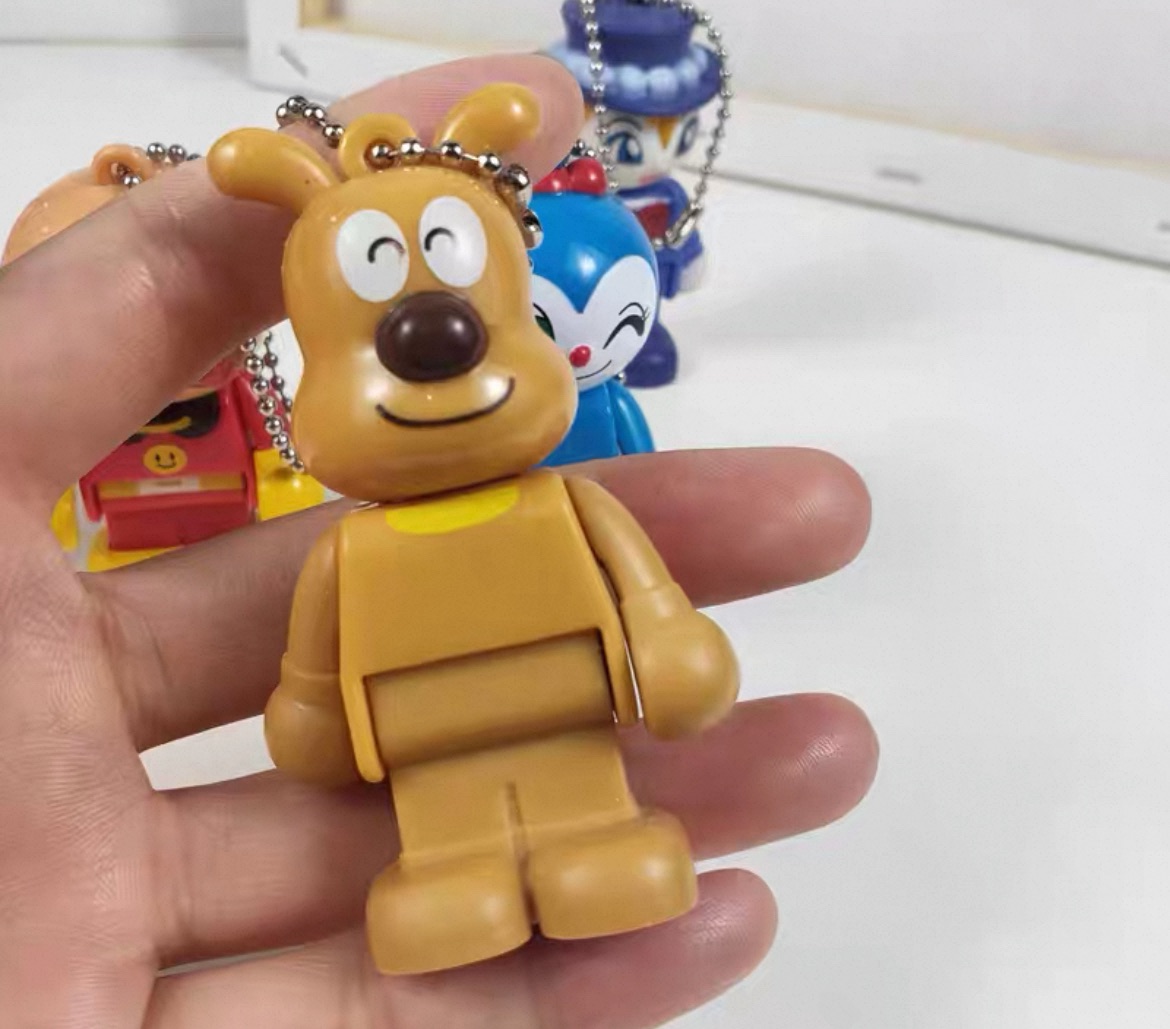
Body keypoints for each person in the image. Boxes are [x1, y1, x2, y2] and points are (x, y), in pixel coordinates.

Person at [0, 54, 877, 1026]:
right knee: (450, 855)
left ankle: (598, 841)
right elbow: (314, 669)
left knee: (593, 828)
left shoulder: (568, 509)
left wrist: (666, 636)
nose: (433, 336)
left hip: (568, 716)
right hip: (427, 754)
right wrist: (313, 705)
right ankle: (455, 873)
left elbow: (643, 590)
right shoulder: (348, 554)